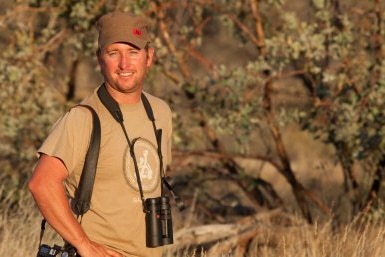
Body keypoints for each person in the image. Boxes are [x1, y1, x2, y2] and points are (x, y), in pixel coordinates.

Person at [29, 11, 173, 257]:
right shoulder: (83, 118)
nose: (124, 64)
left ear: (149, 57)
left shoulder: (160, 111)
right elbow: (41, 183)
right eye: (113, 53)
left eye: (133, 52)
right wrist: (84, 245)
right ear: (99, 59)